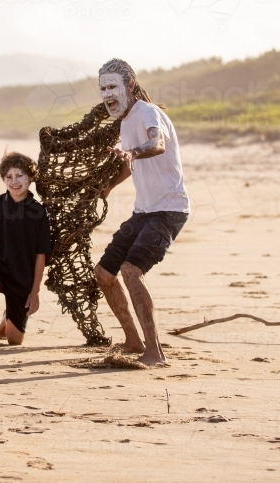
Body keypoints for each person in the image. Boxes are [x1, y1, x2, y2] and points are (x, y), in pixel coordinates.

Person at [95, 58, 190, 366]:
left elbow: (157, 143)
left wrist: (133, 151)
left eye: (113, 87)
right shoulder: (125, 121)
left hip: (169, 209)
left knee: (131, 271)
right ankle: (133, 340)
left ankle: (155, 352)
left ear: (130, 86)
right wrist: (108, 186)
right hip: (144, 210)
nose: (107, 94)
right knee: (104, 273)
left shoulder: (149, 113)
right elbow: (130, 163)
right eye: (103, 89)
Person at [0, 152, 51, 346]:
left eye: (19, 176)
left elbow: (40, 255)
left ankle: (6, 320)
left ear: (31, 177)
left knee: (14, 341)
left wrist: (34, 292)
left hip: (23, 277)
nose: (14, 181)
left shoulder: (39, 212)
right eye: (9, 177)